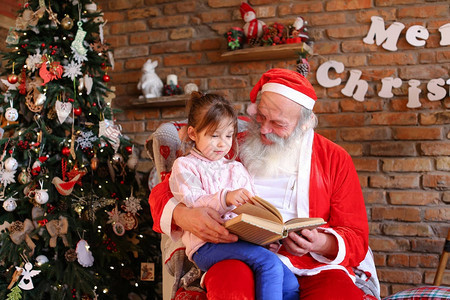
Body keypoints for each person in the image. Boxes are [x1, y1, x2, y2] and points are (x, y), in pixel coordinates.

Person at [149, 69, 380, 300]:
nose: (264, 129)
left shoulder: (334, 158)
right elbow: (162, 193)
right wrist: (183, 215)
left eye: (278, 124)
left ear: (305, 124)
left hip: (314, 267)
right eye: (260, 117)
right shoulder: (229, 146)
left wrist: (320, 242)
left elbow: (356, 237)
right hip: (239, 254)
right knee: (230, 289)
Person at [168, 91, 299, 300]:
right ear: (193, 134)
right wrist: (225, 197)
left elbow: (254, 205)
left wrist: (267, 235)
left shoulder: (236, 169)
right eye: (214, 136)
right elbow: (192, 201)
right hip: (207, 245)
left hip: (240, 240)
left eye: (228, 135)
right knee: (269, 264)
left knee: (290, 283)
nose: (223, 144)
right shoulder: (185, 166)